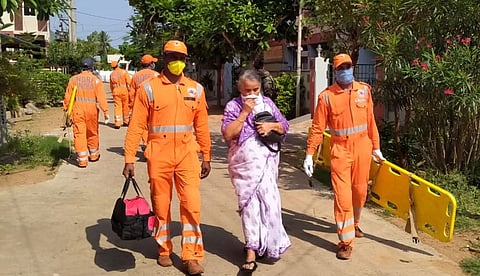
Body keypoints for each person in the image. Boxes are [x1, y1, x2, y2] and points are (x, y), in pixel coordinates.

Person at [122, 40, 211, 275]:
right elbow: (136, 125)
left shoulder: (196, 89)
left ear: (186, 60)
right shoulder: (149, 88)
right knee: (161, 205)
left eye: (180, 57)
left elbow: (202, 126)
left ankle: (191, 256)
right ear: (164, 59)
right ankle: (163, 250)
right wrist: (129, 157)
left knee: (191, 204)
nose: (176, 61)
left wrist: (207, 155)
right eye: (172, 57)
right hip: (158, 156)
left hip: (187, 155)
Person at [303, 53, 385, 260]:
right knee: (343, 197)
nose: (345, 70)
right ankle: (345, 242)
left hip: (363, 147)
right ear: (335, 71)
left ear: (352, 68)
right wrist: (309, 154)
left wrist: (376, 147)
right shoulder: (326, 97)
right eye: (341, 68)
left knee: (359, 193)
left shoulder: (364, 91)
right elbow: (317, 128)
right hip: (340, 150)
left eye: (348, 66)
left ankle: (354, 224)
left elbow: (371, 122)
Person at [221, 69, 291, 272]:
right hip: (244, 165)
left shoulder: (268, 103)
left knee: (270, 203)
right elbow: (228, 134)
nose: (252, 94)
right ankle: (251, 248)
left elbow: (284, 125)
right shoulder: (233, 106)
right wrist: (244, 112)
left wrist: (272, 127)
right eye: (247, 91)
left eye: (255, 90)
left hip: (267, 162)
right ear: (240, 90)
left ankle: (271, 245)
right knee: (250, 207)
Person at [63, 57, 109, 168]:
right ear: (91, 67)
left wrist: (66, 110)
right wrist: (106, 112)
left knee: (79, 134)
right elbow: (101, 98)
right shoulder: (96, 81)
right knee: (92, 133)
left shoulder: (73, 80)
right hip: (92, 111)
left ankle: (82, 161)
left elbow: (68, 97)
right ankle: (93, 155)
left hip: (78, 111)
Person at [128, 54, 160, 147]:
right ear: (151, 64)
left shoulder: (136, 76)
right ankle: (151, 144)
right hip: (154, 104)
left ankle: (146, 143)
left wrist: (132, 105)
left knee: (144, 126)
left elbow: (131, 93)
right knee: (153, 125)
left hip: (140, 104)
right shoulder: (156, 75)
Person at [109, 61, 131, 129]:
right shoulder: (124, 72)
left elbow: (111, 86)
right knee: (126, 107)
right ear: (118, 65)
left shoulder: (112, 74)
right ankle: (126, 121)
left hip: (116, 91)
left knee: (117, 107)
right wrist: (130, 91)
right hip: (124, 91)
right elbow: (129, 82)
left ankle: (117, 123)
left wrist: (113, 92)